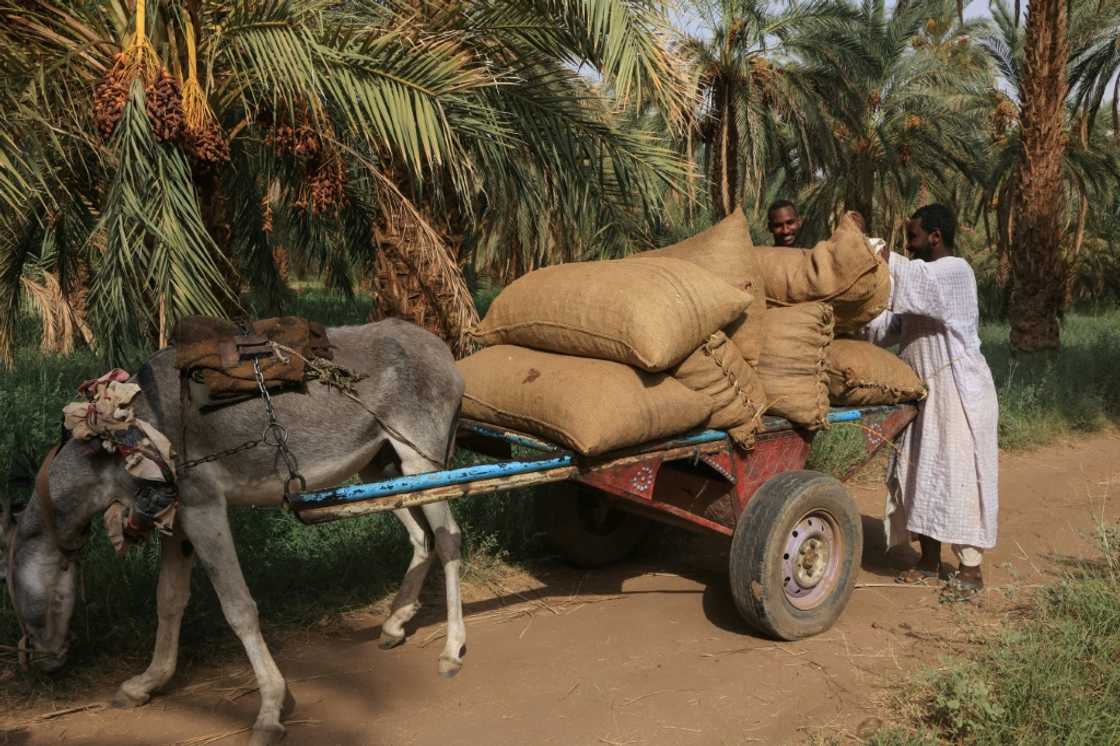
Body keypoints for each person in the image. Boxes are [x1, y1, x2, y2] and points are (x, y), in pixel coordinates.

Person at [859, 204, 999, 598]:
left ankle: (970, 569)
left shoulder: (955, 272)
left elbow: (911, 278)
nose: (909, 243)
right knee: (921, 475)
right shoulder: (922, 287)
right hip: (923, 394)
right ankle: (929, 561)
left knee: (958, 478)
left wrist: (864, 243)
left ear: (936, 236)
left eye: (914, 236)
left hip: (958, 396)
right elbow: (888, 328)